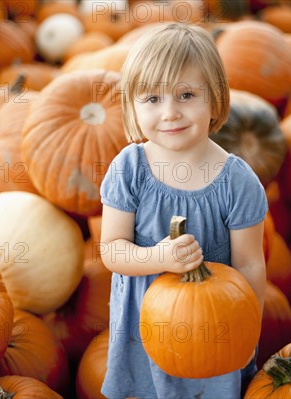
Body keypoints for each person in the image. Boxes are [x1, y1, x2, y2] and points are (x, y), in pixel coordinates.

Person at [99, 23, 268, 399]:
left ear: (216, 100)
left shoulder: (236, 182)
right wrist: (158, 257)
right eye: (152, 99)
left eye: (186, 95)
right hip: (145, 324)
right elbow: (111, 249)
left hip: (214, 328)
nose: (170, 113)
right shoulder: (129, 169)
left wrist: (247, 331)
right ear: (132, 105)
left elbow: (251, 265)